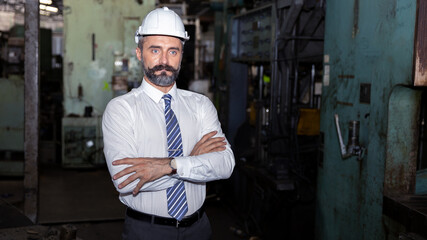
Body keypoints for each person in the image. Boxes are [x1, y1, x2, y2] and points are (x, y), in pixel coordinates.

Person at [102, 7, 235, 240]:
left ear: (182, 55)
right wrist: (193, 161)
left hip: (199, 228)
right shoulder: (121, 109)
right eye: (155, 50)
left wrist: (169, 165)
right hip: (146, 231)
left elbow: (225, 164)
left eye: (173, 51)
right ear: (139, 53)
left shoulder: (200, 105)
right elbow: (125, 181)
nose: (164, 61)